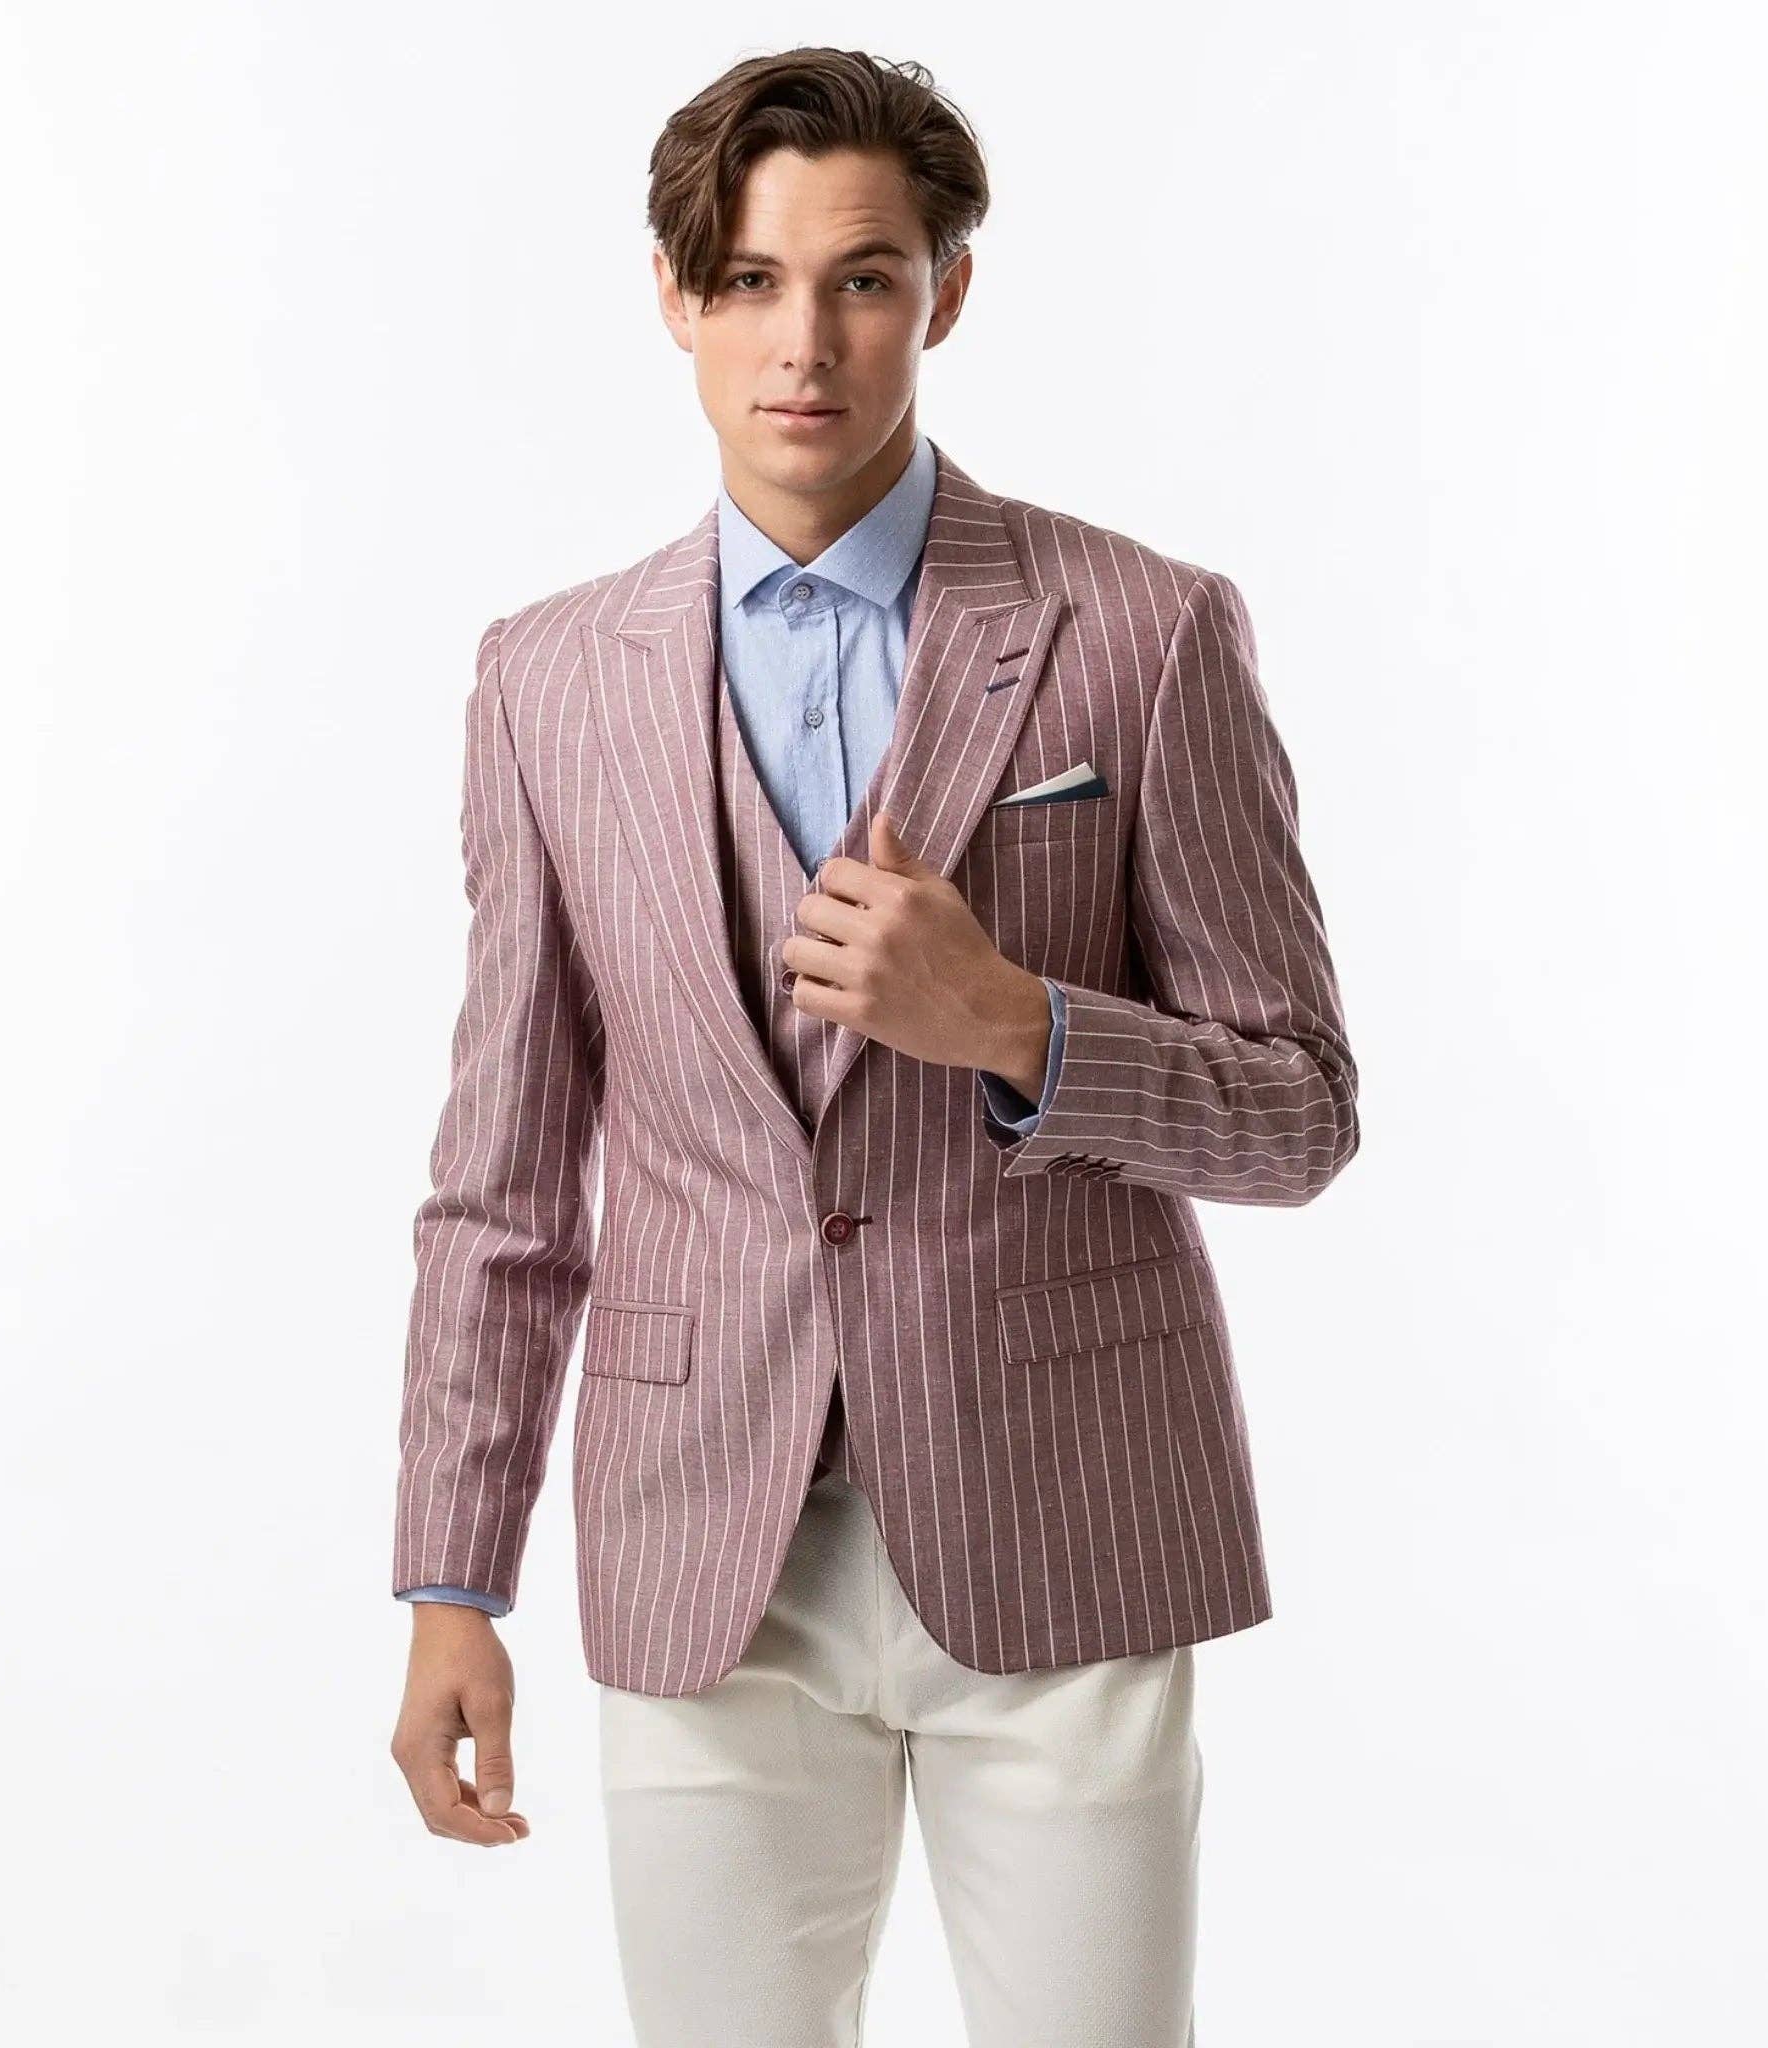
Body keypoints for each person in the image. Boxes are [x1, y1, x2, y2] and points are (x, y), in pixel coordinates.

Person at [388, 45, 1359, 2048]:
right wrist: (449, 1583)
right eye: (749, 282)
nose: (803, 342)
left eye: (863, 279)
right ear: (675, 298)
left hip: (1065, 1522)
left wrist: (1014, 1023)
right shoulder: (549, 682)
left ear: (947, 292)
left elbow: (1300, 1113)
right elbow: (504, 1185)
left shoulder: (1141, 631)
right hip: (703, 1549)